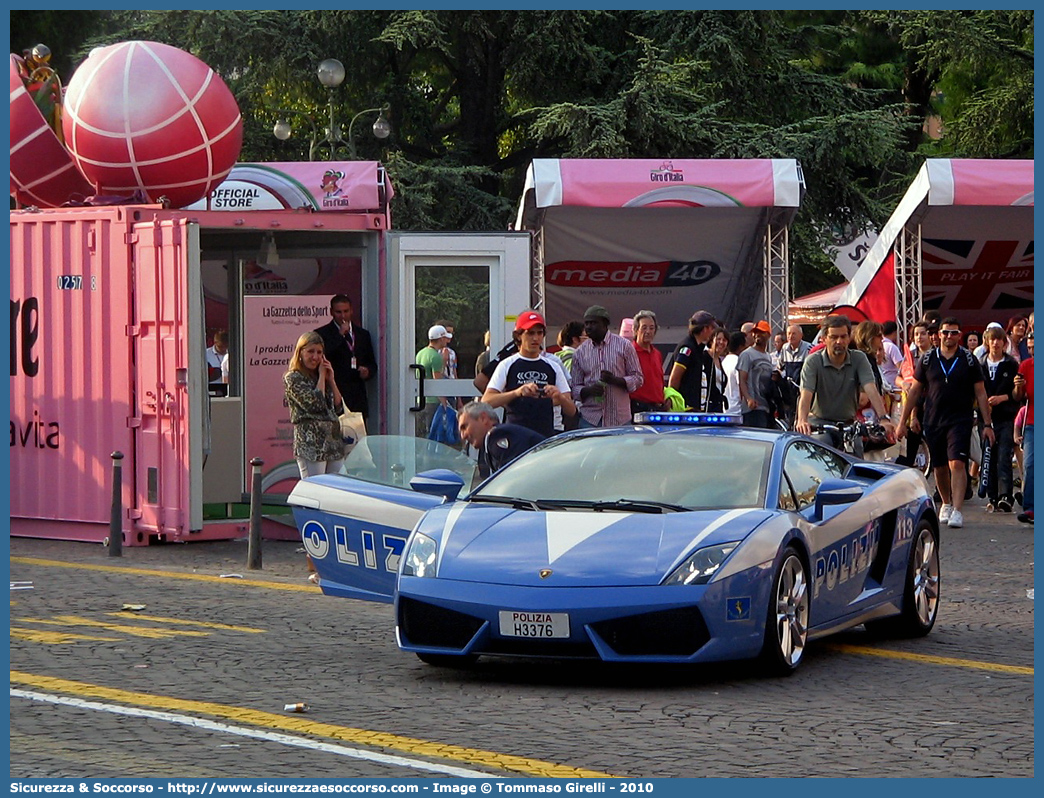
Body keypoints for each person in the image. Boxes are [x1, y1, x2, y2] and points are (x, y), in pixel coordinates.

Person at [897, 317, 996, 529]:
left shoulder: (969, 360)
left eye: (953, 333)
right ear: (939, 335)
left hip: (960, 419)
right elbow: (915, 390)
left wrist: (987, 424)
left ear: (960, 335)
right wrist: (903, 421)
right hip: (933, 418)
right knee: (940, 466)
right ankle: (946, 503)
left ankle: (958, 509)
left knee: (957, 463)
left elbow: (980, 392)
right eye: (945, 333)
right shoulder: (927, 359)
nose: (949, 337)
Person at [795, 315, 895, 445]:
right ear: (824, 339)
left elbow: (871, 388)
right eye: (834, 337)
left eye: (843, 336)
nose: (839, 341)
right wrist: (802, 420)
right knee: (823, 450)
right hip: (820, 424)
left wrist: (883, 418)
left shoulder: (859, 358)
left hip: (849, 424)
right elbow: (806, 394)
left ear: (849, 338)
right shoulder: (813, 361)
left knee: (857, 455)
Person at [482, 310, 576, 438]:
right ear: (519, 335)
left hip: (545, 435)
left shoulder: (553, 366)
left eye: (539, 333)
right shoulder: (507, 364)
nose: (536, 338)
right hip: (515, 435)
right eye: (530, 333)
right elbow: (487, 401)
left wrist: (558, 396)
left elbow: (571, 410)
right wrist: (517, 393)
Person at [284, 332, 346, 479]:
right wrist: (322, 377)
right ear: (300, 352)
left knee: (337, 489)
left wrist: (331, 379)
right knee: (316, 488)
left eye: (319, 352)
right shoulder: (293, 378)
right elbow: (314, 404)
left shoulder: (322, 375)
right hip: (311, 445)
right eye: (310, 351)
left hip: (333, 443)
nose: (315, 357)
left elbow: (338, 407)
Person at [571, 305, 643, 428]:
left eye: (593, 323)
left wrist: (616, 380)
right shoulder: (579, 352)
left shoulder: (624, 346)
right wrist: (588, 390)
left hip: (619, 419)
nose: (588, 327)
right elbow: (573, 388)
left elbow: (638, 378)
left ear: (605, 324)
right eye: (586, 323)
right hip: (590, 420)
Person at [315, 295, 377, 423]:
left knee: (357, 438)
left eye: (346, 311)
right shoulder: (321, 334)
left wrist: (368, 372)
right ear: (331, 312)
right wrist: (339, 336)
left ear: (351, 311)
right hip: (334, 392)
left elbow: (372, 363)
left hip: (356, 396)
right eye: (338, 312)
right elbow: (322, 357)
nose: (343, 316)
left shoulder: (362, 334)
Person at [978, 325, 1020, 512]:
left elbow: (1018, 394)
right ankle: (992, 496)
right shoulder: (980, 364)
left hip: (1005, 417)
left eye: (999, 340)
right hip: (986, 418)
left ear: (1004, 343)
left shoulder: (1011, 364)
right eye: (992, 339)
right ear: (986, 342)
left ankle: (1006, 496)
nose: (995, 343)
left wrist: (1003, 398)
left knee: (1004, 456)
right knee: (989, 455)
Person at [457, 400, 546, 482]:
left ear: (483, 418)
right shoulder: (494, 439)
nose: (463, 436)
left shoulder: (497, 435)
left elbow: (512, 481)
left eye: (464, 427)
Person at [667, 310, 717, 411]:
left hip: (697, 407)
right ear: (704, 328)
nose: (713, 332)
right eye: (712, 328)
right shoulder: (687, 348)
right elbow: (674, 378)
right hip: (686, 407)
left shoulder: (699, 348)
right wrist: (674, 400)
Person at [737, 320, 776, 429]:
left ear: (768, 335)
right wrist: (748, 398)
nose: (757, 335)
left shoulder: (768, 357)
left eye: (761, 332)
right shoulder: (747, 355)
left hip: (765, 407)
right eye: (755, 332)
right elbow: (742, 380)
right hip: (752, 409)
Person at [629, 310, 668, 416]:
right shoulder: (629, 352)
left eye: (652, 328)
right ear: (636, 330)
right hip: (637, 408)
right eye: (644, 327)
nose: (648, 331)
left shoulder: (657, 354)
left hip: (658, 408)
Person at [415, 324, 451, 436]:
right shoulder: (435, 357)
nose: (447, 341)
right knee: (432, 433)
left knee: (421, 433)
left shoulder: (421, 353)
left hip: (420, 400)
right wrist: (445, 403)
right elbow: (437, 383)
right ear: (440, 339)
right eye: (445, 338)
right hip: (432, 402)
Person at [1013, 330, 1033, 523]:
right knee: (1029, 464)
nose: (1032, 351)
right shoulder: (1026, 365)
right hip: (1032, 421)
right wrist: (1018, 386)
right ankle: (1030, 508)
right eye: (1030, 348)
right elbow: (1018, 397)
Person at [722, 331, 747, 417]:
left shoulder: (723, 362)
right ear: (741, 347)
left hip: (725, 409)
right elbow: (741, 385)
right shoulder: (739, 362)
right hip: (737, 410)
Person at [707, 328, 730, 413]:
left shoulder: (719, 360)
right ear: (711, 340)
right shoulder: (704, 357)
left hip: (718, 406)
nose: (721, 342)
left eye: (724, 340)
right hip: (707, 407)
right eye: (718, 339)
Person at [879, 321, 905, 392]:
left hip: (883, 383)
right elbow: (901, 367)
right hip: (894, 386)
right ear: (894, 332)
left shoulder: (880, 345)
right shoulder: (892, 347)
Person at [206, 330, 229, 395]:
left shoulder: (232, 353)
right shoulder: (206, 354)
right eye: (221, 346)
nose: (223, 349)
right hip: (213, 388)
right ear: (215, 343)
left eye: (226, 346)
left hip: (229, 387)